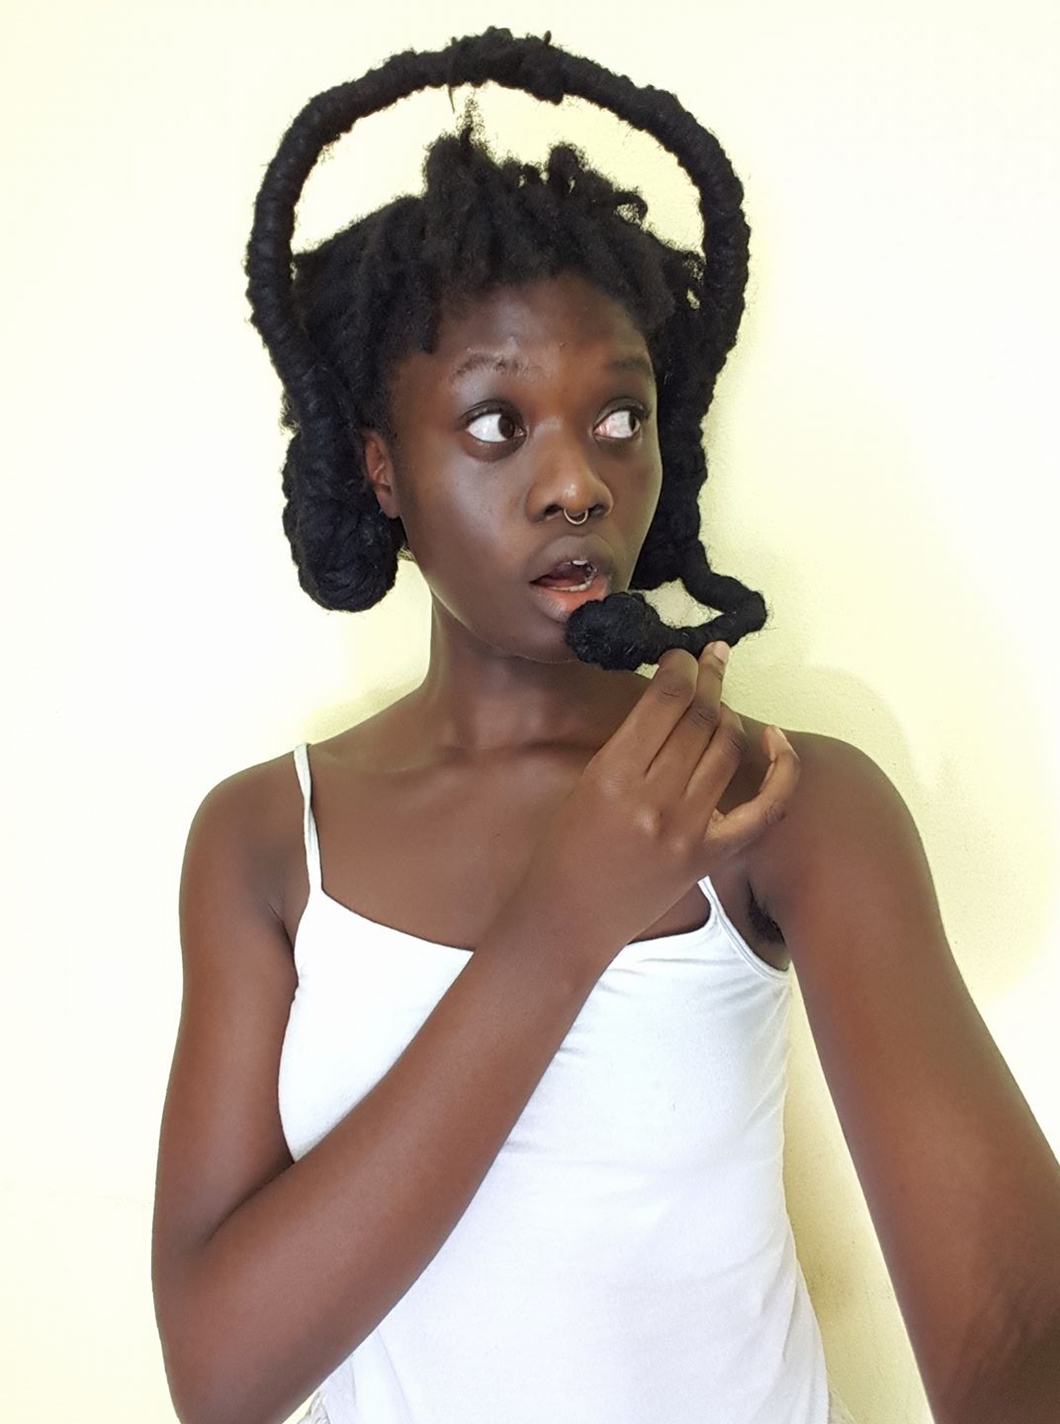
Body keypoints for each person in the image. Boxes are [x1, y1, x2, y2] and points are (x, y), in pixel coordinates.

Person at [150, 28, 1060, 1424]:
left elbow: (1017, 1324)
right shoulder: (270, 838)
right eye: (496, 422)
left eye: (619, 416)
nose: (576, 480)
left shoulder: (782, 803)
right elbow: (219, 1378)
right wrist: (567, 918)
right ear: (382, 470)